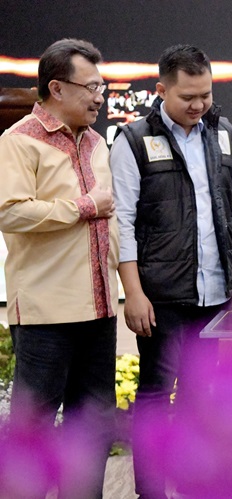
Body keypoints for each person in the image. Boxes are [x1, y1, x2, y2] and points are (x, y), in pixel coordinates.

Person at [110, 44, 232, 499]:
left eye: (205, 96)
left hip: (215, 292)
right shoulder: (132, 140)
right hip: (160, 296)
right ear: (161, 90)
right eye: (187, 97)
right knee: (155, 396)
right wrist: (132, 292)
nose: (198, 106)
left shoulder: (223, 134)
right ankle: (150, 491)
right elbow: (123, 223)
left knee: (199, 395)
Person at [0, 38, 118, 497]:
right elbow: (8, 211)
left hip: (99, 311)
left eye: (101, 85)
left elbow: (113, 223)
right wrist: (83, 205)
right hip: (47, 316)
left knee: (92, 428)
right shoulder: (18, 141)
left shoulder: (95, 142)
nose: (99, 96)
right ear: (56, 87)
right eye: (90, 86)